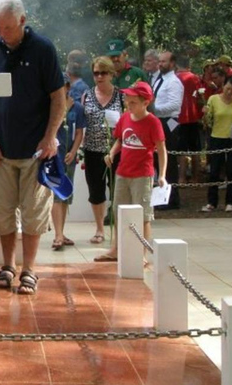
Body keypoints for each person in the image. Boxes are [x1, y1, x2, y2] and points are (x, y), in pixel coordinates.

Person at [0, 0, 65, 295]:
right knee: (2, 213)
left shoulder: (43, 49)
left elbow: (58, 97)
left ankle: (29, 269)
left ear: (23, 21)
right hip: (0, 150)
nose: (3, 33)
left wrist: (49, 136)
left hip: (36, 150)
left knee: (33, 213)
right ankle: (7, 265)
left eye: (8, 27)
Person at [95, 81, 166, 262]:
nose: (129, 104)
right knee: (120, 212)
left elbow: (162, 149)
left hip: (142, 175)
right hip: (122, 172)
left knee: (143, 215)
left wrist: (162, 175)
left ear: (145, 103)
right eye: (128, 100)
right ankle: (116, 249)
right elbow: (120, 140)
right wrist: (111, 153)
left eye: (133, 102)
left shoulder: (153, 122)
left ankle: (142, 253)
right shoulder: (125, 117)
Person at [81, 56, 123, 245]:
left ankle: (119, 228)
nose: (99, 76)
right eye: (96, 73)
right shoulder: (87, 95)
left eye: (103, 72)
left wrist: (114, 150)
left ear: (111, 74)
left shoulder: (121, 96)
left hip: (117, 150)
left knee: (118, 191)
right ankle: (99, 229)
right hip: (92, 150)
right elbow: (81, 124)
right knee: (96, 191)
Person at [200, 76, 232, 212]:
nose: (229, 93)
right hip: (217, 137)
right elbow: (208, 121)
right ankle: (212, 201)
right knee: (214, 170)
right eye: (227, 89)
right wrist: (205, 114)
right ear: (223, 86)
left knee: (231, 170)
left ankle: (230, 202)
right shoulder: (213, 99)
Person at [51, 75, 85, 251]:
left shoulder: (77, 107)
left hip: (68, 157)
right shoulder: (50, 106)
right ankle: (57, 235)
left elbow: (79, 132)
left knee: (65, 195)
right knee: (56, 195)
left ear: (67, 87)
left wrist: (73, 151)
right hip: (53, 156)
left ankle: (61, 232)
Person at [151, 50, 184, 209]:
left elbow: (175, 105)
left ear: (172, 63)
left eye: (164, 61)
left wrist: (152, 109)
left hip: (169, 122)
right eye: (160, 61)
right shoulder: (159, 80)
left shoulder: (174, 82)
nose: (161, 64)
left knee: (168, 160)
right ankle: (161, 197)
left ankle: (172, 198)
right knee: (157, 160)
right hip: (158, 120)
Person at [175, 55, 204, 183]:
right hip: (193, 118)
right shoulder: (195, 78)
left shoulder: (174, 78)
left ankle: (181, 178)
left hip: (179, 118)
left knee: (181, 150)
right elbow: (199, 97)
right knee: (195, 149)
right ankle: (196, 178)